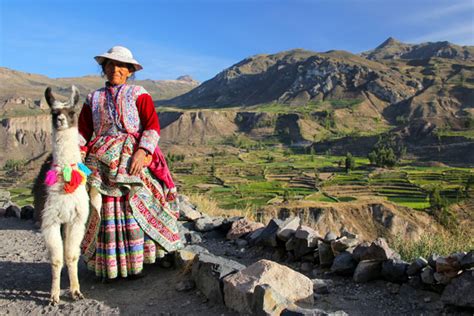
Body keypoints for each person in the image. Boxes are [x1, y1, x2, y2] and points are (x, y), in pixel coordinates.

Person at [78, 46, 182, 280]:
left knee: (138, 201)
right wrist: (76, 155)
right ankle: (108, 266)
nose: (115, 69)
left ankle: (139, 261)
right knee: (102, 208)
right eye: (110, 65)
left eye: (121, 66)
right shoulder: (92, 99)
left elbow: (152, 125)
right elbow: (83, 132)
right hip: (100, 159)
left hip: (132, 153)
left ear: (129, 71)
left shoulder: (139, 94)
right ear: (103, 69)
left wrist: (142, 152)